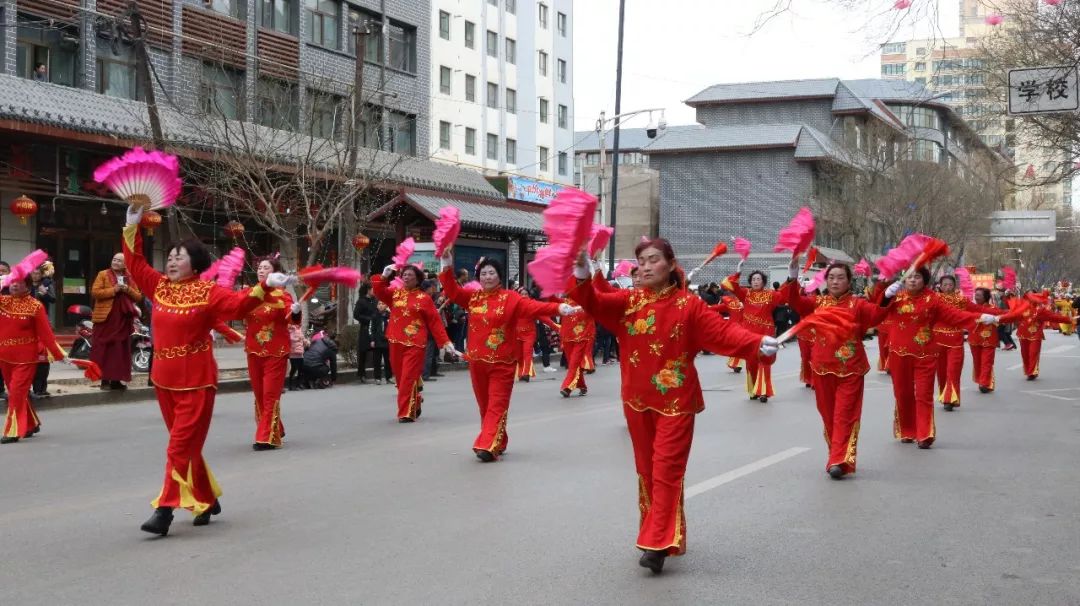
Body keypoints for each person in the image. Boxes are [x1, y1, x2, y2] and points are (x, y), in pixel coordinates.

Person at [570, 240, 776, 573]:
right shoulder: (628, 302)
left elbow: (723, 333)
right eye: (641, 261)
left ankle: (656, 543)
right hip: (637, 401)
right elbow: (591, 301)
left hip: (677, 401)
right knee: (647, 471)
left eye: (654, 260)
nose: (646, 266)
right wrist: (582, 268)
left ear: (670, 264)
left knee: (666, 471)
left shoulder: (689, 305)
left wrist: (756, 343)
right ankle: (664, 534)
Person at [122, 204, 283, 536]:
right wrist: (131, 225)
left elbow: (238, 305)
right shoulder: (159, 286)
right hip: (163, 378)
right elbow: (135, 264)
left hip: (197, 381)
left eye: (180, 256)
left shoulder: (209, 292)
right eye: (170, 256)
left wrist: (265, 287)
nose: (172, 261)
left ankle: (164, 511)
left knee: (178, 446)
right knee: (187, 446)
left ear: (195, 262)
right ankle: (206, 499)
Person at [439, 253, 567, 462]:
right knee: (485, 405)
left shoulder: (511, 298)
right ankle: (498, 439)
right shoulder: (473, 297)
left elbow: (534, 307)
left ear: (499, 276)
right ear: (478, 277)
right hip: (477, 362)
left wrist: (558, 308)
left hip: (503, 363)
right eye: (484, 274)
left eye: (492, 273)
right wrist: (446, 264)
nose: (487, 277)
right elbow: (452, 291)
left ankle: (486, 445)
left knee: (496, 404)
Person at [785, 263, 890, 479]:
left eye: (840, 277)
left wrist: (887, 295)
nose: (835, 281)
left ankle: (838, 459)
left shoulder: (858, 305)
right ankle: (838, 454)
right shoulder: (817, 303)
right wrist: (792, 275)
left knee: (844, 415)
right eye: (831, 277)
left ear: (849, 281)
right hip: (822, 368)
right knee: (828, 415)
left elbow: (877, 315)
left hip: (851, 369)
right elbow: (794, 301)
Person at [879, 268, 995, 449]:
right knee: (903, 394)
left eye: (917, 277)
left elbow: (955, 316)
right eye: (909, 277)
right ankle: (908, 430)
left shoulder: (933, 299)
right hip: (898, 354)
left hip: (925, 354)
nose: (912, 280)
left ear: (924, 281)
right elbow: (874, 312)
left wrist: (979, 317)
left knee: (924, 394)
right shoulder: (896, 297)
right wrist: (884, 295)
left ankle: (925, 434)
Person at [370, 264, 453, 422]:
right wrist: (383, 276)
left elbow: (435, 322)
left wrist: (445, 341)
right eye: (404, 275)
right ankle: (415, 400)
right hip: (395, 341)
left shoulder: (424, 299)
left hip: (415, 343)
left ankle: (405, 412)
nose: (407, 277)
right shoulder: (395, 294)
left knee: (409, 377)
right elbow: (379, 292)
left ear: (418, 279)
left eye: (410, 275)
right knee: (401, 379)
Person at [1, 268, 69, 443]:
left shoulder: (35, 306)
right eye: (13, 282)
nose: (15, 286)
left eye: (20, 283)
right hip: (4, 357)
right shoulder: (3, 301)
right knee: (17, 393)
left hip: (26, 358)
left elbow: (46, 335)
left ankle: (12, 431)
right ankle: (31, 424)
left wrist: (60, 354)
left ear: (28, 285)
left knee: (16, 393)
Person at [245, 256, 299, 451]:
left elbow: (291, 320)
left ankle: (266, 437)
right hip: (253, 350)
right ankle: (276, 427)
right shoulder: (251, 293)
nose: (261, 270)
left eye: (265, 268)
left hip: (276, 352)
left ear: (275, 273)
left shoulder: (282, 296)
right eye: (259, 267)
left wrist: (295, 312)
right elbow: (235, 309)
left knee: (269, 395)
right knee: (259, 394)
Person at [725, 264, 793, 402]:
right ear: (750, 281)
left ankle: (763, 391)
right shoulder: (746, 293)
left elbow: (785, 293)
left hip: (765, 333)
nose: (756, 281)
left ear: (763, 281)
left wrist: (792, 276)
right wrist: (738, 271)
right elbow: (730, 285)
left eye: (759, 279)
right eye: (754, 279)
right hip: (748, 334)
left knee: (764, 362)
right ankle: (754, 389)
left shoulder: (771, 295)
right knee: (751, 363)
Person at [90, 253, 144, 390]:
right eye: (114, 259)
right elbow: (95, 293)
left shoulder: (129, 277)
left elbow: (138, 297)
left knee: (119, 351)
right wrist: (114, 290)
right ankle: (105, 380)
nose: (115, 262)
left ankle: (117, 380)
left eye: (119, 260)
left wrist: (127, 289)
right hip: (106, 319)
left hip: (122, 319)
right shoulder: (103, 274)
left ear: (125, 264)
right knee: (104, 350)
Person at [1015, 291, 1075, 380]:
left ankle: (1032, 372)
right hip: (1023, 334)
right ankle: (1028, 370)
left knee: (1033, 353)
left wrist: (1069, 319)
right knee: (1025, 354)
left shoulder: (1041, 310)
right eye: (1027, 297)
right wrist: (998, 318)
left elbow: (1054, 317)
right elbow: (1012, 316)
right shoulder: (1021, 308)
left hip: (1035, 335)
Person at [932, 275, 969, 411]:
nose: (947, 287)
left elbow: (975, 311)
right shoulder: (934, 299)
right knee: (941, 372)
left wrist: (999, 315)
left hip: (955, 341)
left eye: (950, 285)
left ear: (955, 286)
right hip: (938, 341)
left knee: (953, 371)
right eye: (945, 285)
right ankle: (945, 395)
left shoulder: (961, 300)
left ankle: (949, 399)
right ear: (940, 286)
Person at [968, 288, 1003, 394]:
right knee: (977, 362)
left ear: (985, 297)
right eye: (976, 295)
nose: (976, 297)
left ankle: (984, 383)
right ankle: (981, 381)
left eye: (979, 295)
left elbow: (1001, 318)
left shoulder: (993, 309)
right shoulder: (971, 308)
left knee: (986, 362)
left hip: (989, 339)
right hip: (974, 339)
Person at [29, 265, 55, 398]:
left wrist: (44, 293)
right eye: (33, 273)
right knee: (28, 358)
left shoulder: (46, 284)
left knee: (43, 358)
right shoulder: (25, 287)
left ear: (41, 274)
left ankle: (40, 388)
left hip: (43, 324)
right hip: (27, 325)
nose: (35, 275)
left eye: (37, 273)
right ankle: (26, 388)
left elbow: (53, 299)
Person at [352, 282, 377, 383]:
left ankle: (377, 375)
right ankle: (362, 374)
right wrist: (368, 319)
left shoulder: (375, 300)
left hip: (375, 329)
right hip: (365, 328)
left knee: (377, 351)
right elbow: (356, 315)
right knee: (363, 352)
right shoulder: (361, 301)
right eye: (373, 289)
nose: (374, 291)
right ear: (368, 290)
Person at [369, 302, 392, 384]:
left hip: (387, 341)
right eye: (379, 304)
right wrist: (372, 340)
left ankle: (388, 377)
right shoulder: (374, 316)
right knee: (377, 361)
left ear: (386, 305)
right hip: (377, 341)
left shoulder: (390, 316)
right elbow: (371, 329)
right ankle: (377, 378)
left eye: (382, 304)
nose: (381, 306)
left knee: (388, 361)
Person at [287, 320, 307, 391]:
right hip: (293, 353)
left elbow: (303, 338)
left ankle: (298, 384)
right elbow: (290, 338)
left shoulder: (299, 330)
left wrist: (306, 342)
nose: (300, 323)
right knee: (294, 369)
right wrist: (298, 339)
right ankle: (291, 385)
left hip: (300, 353)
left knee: (300, 369)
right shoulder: (291, 329)